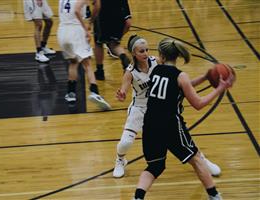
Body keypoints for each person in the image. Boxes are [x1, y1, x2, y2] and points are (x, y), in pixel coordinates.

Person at [132, 38, 235, 200]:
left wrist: (204, 77)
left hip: (150, 125)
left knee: (155, 166)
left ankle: (138, 197)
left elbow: (181, 87)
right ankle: (214, 196)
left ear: (162, 56)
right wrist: (220, 89)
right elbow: (198, 103)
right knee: (196, 159)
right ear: (177, 55)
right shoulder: (180, 76)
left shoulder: (156, 71)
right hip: (170, 125)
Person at [113, 35, 222, 178]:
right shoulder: (130, 72)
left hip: (158, 107)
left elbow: (179, 82)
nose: (145, 53)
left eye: (147, 50)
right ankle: (120, 159)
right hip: (139, 108)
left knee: (180, 136)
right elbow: (124, 89)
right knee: (125, 143)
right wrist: (122, 94)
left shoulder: (157, 62)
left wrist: (204, 77)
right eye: (141, 51)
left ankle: (201, 159)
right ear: (133, 53)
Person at [57, 0, 111, 111]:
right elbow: (79, 10)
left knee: (73, 62)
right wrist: (87, 27)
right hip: (75, 30)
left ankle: (71, 93)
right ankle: (94, 92)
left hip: (62, 31)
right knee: (87, 63)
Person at [93, 0, 132, 80]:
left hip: (102, 15)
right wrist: (118, 37)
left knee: (98, 43)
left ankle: (100, 72)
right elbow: (128, 23)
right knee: (115, 45)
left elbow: (97, 4)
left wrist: (91, 20)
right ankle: (123, 57)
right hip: (118, 15)